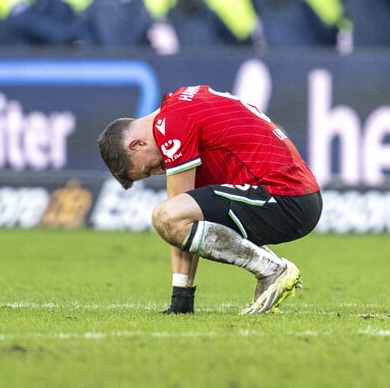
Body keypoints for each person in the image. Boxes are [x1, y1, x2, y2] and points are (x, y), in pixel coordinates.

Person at [97, 85, 323, 314]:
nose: (159, 171)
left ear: (136, 144)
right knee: (177, 215)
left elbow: (174, 217)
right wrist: (182, 298)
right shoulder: (183, 103)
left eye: (150, 168)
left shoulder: (172, 123)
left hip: (285, 197)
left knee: (165, 216)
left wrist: (180, 298)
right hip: (297, 196)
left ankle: (271, 269)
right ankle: (270, 269)